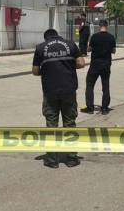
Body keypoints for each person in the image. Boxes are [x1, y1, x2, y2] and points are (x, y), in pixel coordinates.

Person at [32, 29, 85, 168]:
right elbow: (81, 63)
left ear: (46, 38)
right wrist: (68, 66)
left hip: (50, 91)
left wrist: (47, 69)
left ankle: (52, 160)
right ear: (58, 35)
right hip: (69, 90)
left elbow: (35, 71)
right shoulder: (71, 44)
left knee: (51, 125)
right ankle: (72, 158)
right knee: (70, 123)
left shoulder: (40, 48)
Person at [81, 19, 116, 115]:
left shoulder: (95, 37)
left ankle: (90, 107)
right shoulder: (111, 37)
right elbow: (113, 51)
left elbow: (89, 49)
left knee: (90, 84)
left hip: (95, 64)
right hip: (106, 64)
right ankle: (104, 108)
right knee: (105, 85)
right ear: (107, 26)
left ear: (99, 26)